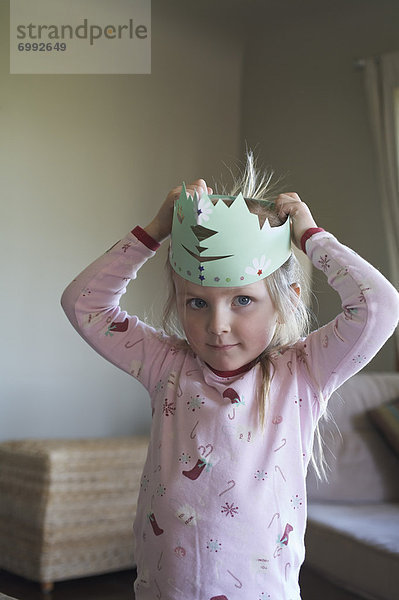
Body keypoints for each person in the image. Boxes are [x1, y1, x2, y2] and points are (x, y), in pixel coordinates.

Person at [61, 155, 399, 600]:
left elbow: (378, 307)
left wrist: (312, 237)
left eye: (242, 300)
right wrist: (153, 232)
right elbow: (84, 305)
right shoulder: (168, 365)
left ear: (286, 302)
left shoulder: (301, 373)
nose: (217, 324)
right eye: (197, 303)